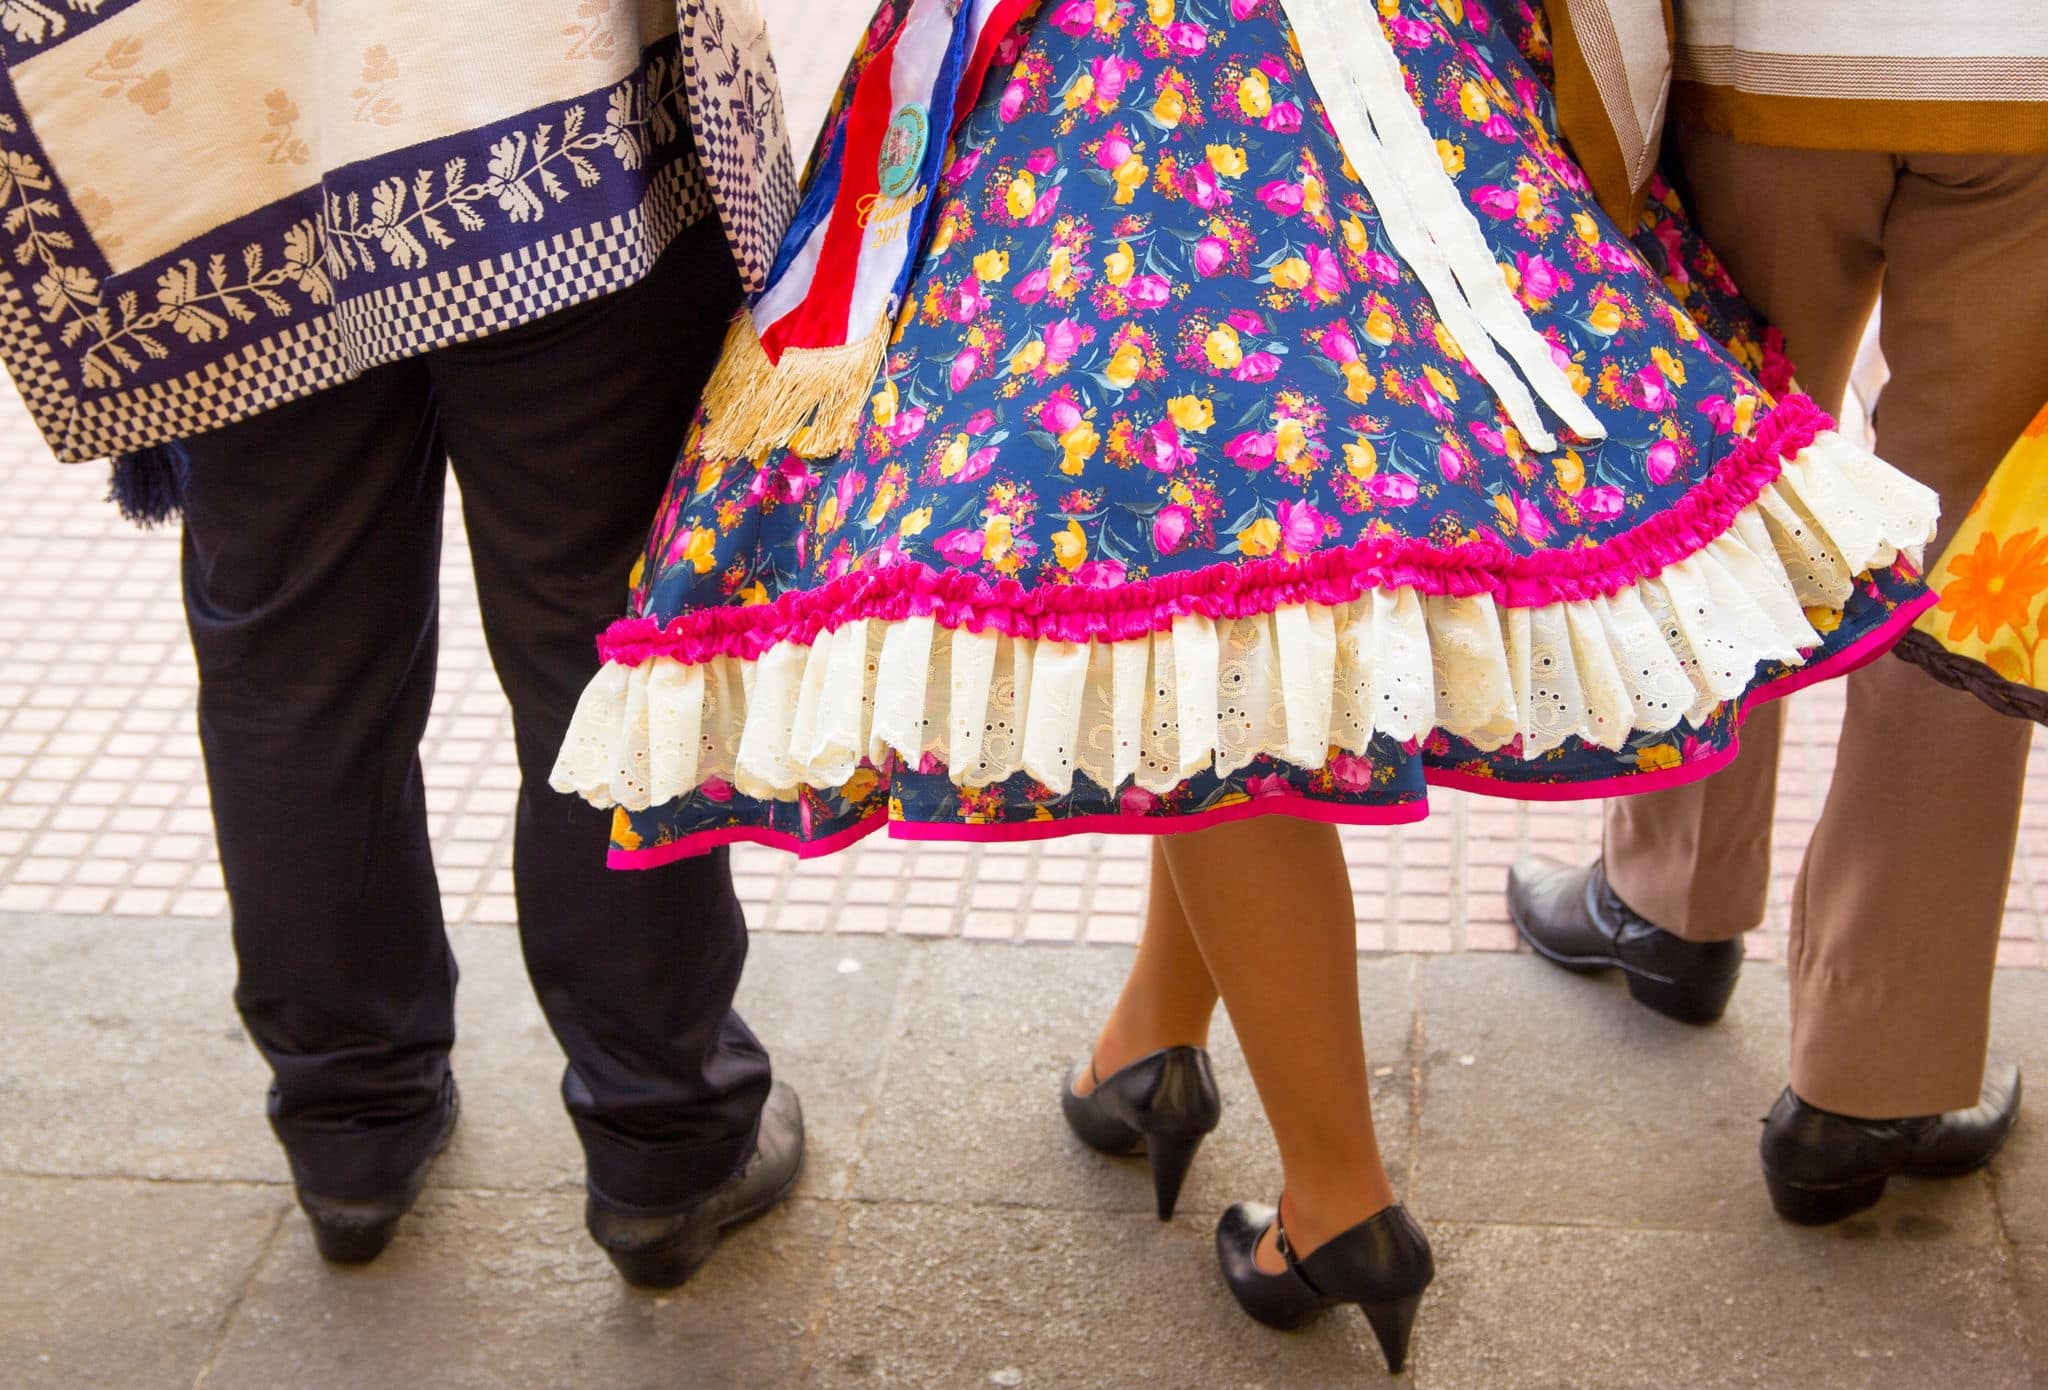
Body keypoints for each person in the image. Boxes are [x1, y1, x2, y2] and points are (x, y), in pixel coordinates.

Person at [553, 0, 1939, 1368]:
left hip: (1133, 86)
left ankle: (1342, 1198)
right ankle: (1150, 1038)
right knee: (1209, 621)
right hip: (1349, 63)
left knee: (1197, 595)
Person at [0, 2, 805, 1286]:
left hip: (206, 150)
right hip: (525, 118)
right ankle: (665, 1133)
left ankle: (350, 1129)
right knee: (591, 648)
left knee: (291, 668)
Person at [1509, 0, 2044, 1226]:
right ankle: (1870, 1075)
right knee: (1960, 560)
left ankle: (1666, 906)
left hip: (1773, 55)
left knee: (1727, 479)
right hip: (2031, 82)